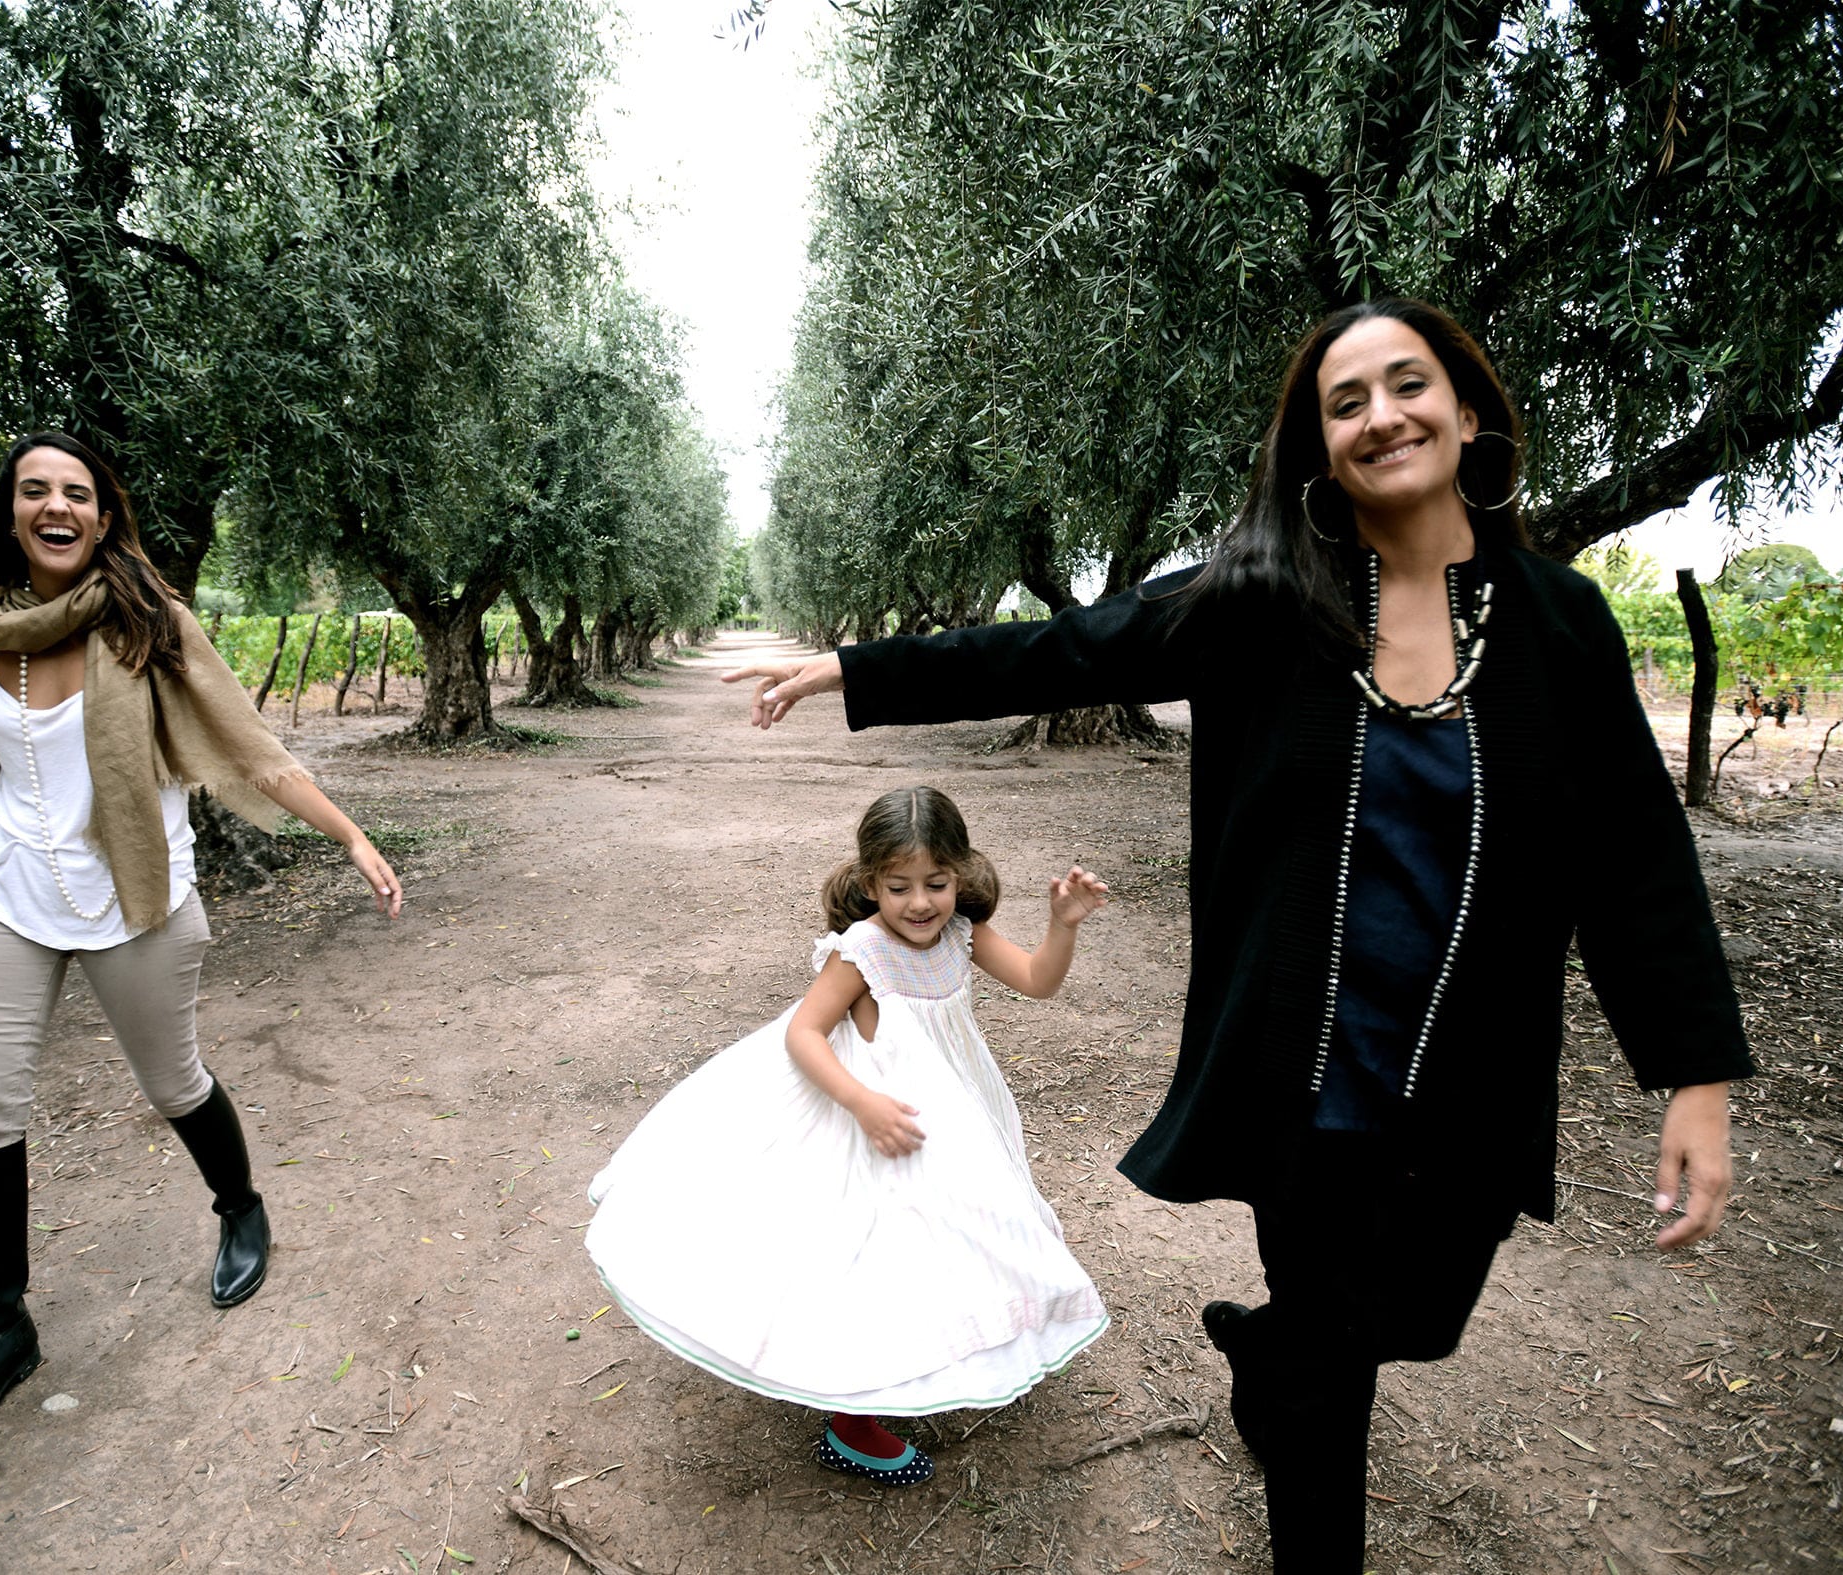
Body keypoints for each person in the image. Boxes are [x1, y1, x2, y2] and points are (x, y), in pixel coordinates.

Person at [727, 299, 1755, 1570]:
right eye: (1344, 402)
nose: (1381, 414)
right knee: (1331, 1377)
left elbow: (1634, 859)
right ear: (1318, 451)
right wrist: (861, 672)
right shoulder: (1266, 606)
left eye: (1406, 383)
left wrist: (1692, 1075)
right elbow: (1060, 649)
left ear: (1468, 410)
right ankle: (1297, 1394)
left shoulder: (1558, 625)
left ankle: (1270, 1354)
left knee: (1420, 1318)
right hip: (1305, 1072)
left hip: (1471, 1079)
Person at [0, 431, 405, 1449]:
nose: (57, 507)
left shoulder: (146, 627)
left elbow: (250, 747)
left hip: (134, 898)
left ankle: (239, 1208)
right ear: (12, 515)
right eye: (35, 491)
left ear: (102, 515)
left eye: (76, 493)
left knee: (173, 1083)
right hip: (5, 891)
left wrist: (347, 833)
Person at [584, 785, 1111, 1486]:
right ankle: (851, 1417)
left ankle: (947, 1356)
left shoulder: (962, 933)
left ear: (961, 874)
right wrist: (862, 1102)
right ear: (870, 882)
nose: (920, 902)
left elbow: (1039, 979)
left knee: (960, 1233)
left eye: (937, 883)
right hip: (875, 1115)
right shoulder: (862, 950)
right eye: (899, 886)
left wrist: (1064, 923)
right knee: (874, 1255)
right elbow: (804, 1032)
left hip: (944, 1113)